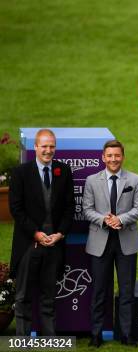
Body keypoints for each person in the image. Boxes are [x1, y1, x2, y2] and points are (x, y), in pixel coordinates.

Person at [9, 129, 74, 336]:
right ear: (35, 147)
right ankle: (23, 337)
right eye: (44, 146)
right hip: (29, 243)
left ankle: (49, 337)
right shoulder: (20, 173)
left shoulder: (63, 171)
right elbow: (16, 210)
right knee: (23, 295)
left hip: (54, 244)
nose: (48, 150)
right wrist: (35, 233)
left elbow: (69, 207)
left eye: (51, 146)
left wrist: (60, 233)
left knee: (49, 295)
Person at [82, 140, 138, 347]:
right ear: (103, 157)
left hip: (126, 241)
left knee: (127, 291)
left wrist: (121, 219)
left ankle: (126, 335)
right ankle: (96, 335)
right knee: (99, 291)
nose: (113, 159)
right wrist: (104, 219)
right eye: (109, 156)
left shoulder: (134, 180)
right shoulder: (92, 180)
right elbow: (87, 209)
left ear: (122, 157)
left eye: (117, 155)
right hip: (100, 242)